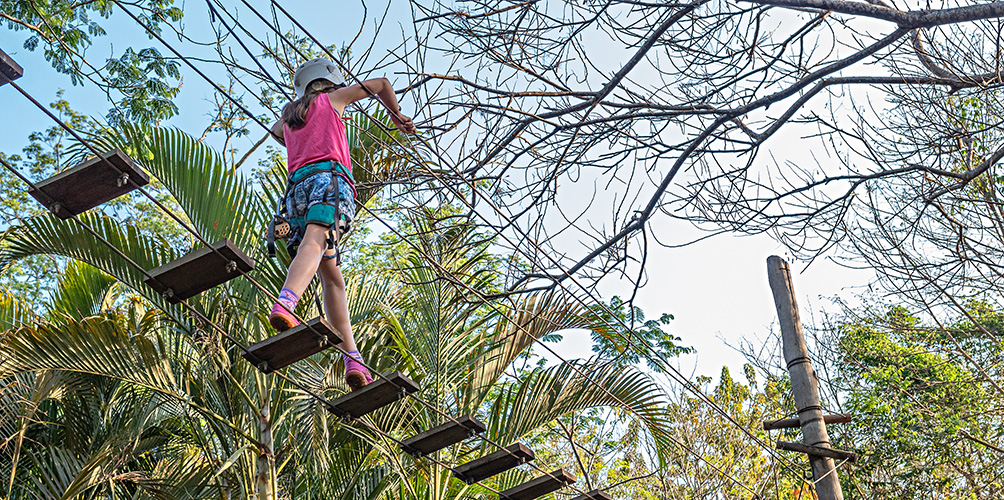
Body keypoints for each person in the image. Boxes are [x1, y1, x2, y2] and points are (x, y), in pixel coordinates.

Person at [268, 58, 415, 390]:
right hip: (329, 183)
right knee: (314, 244)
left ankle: (353, 359)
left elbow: (277, 131)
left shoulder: (288, 119)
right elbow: (381, 84)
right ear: (330, 84)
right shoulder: (331, 100)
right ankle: (287, 301)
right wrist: (396, 115)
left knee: (332, 278)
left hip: (296, 195)